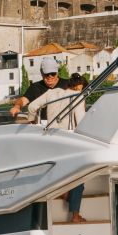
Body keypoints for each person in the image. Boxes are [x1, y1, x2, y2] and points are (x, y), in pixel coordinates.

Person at [30, 74, 89, 221]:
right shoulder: (77, 96)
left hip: (50, 141)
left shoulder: (52, 93)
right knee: (79, 175)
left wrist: (31, 121)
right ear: (78, 87)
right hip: (68, 141)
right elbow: (81, 122)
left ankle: (63, 193)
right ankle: (75, 214)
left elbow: (32, 107)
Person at [11, 55, 69, 120]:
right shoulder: (35, 87)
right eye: (46, 74)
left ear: (57, 73)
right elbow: (23, 100)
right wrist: (17, 106)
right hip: (44, 125)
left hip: (65, 124)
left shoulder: (68, 84)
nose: (50, 76)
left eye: (53, 73)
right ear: (41, 73)